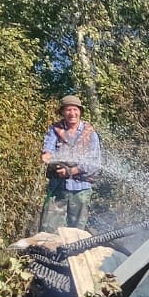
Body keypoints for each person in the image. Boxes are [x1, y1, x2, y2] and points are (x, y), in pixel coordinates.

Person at [39, 94, 102, 232]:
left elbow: (95, 163)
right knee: (48, 229)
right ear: (62, 112)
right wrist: (47, 155)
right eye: (68, 110)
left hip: (81, 189)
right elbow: (48, 148)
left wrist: (71, 171)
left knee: (78, 232)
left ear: (80, 111)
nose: (72, 113)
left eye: (75, 109)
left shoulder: (91, 134)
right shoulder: (55, 130)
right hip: (57, 188)